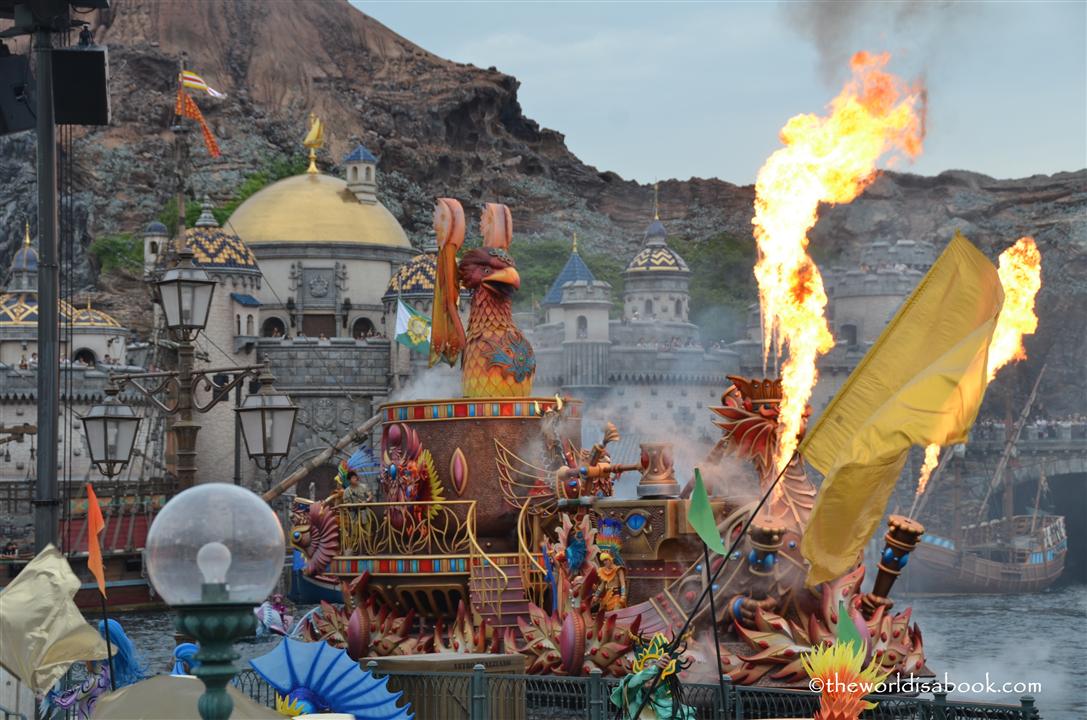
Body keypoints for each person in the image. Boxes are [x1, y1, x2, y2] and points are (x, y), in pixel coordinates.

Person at [48, 619, 147, 719]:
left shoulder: (96, 681)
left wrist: (43, 691)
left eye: (87, 657)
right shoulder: (111, 676)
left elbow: (63, 701)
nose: (84, 662)